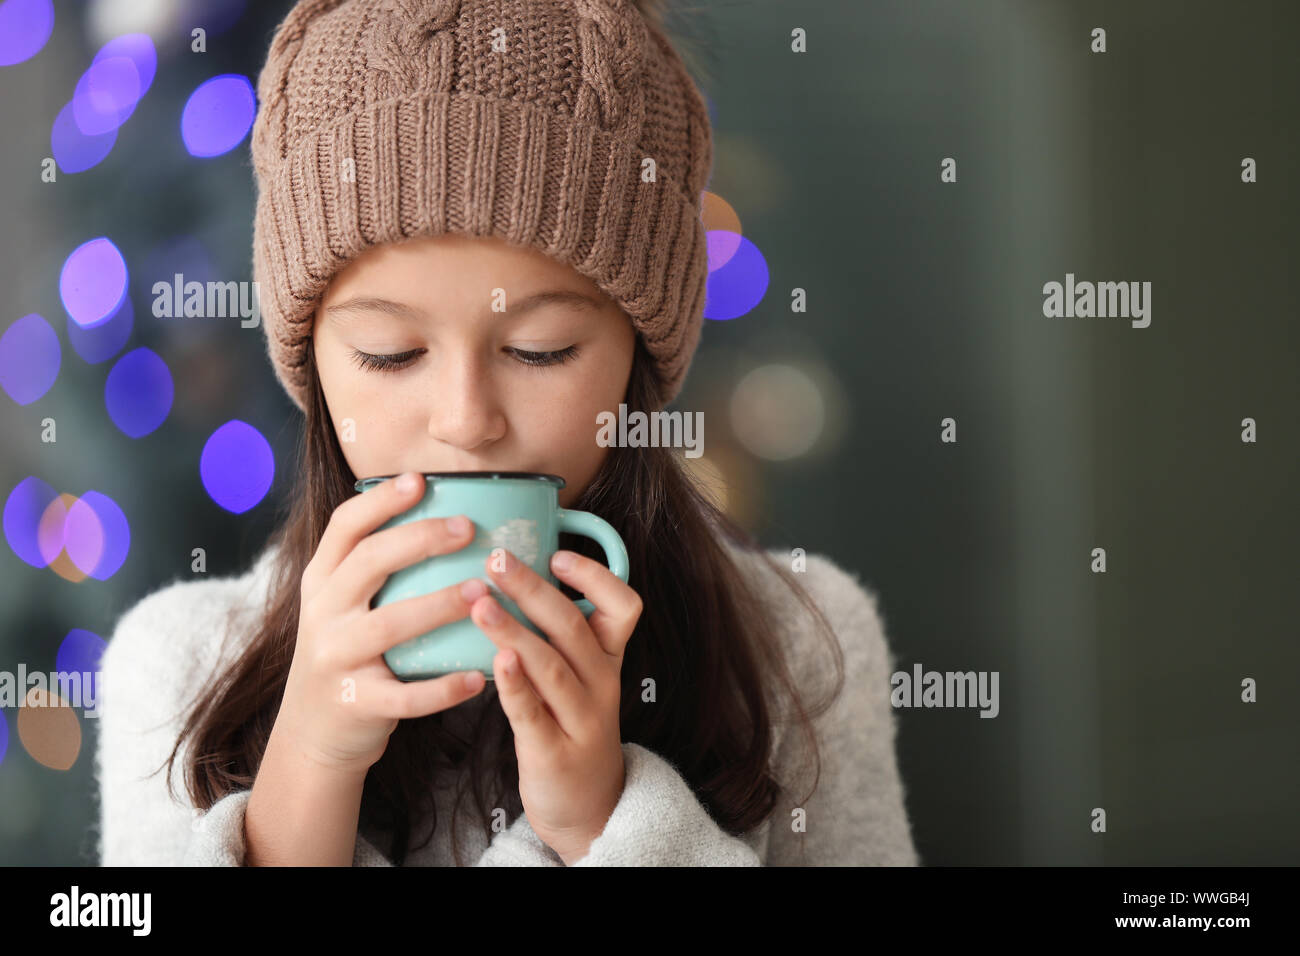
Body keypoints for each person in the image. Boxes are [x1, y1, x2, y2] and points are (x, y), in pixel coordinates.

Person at [94, 0, 919, 867]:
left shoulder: (800, 653)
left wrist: (608, 827)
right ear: (312, 365)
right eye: (389, 354)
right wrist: (304, 783)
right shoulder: (180, 665)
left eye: (540, 349)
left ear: (638, 359)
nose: (466, 422)